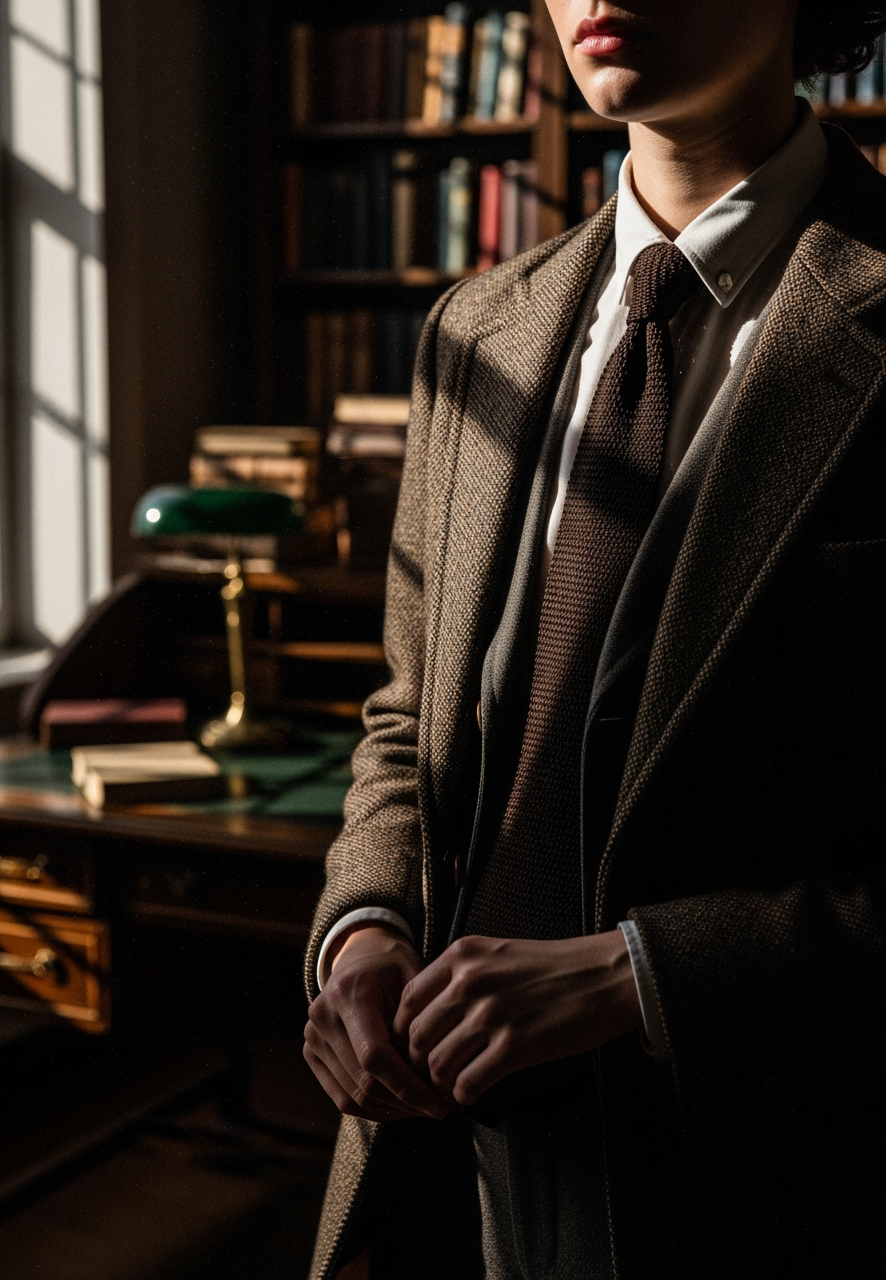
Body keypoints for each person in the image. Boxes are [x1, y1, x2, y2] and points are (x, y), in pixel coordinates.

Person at [303, 2, 886, 1276]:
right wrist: (360, 930)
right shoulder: (477, 329)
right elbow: (409, 718)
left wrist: (644, 974)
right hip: (448, 1157)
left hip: (767, 1167)